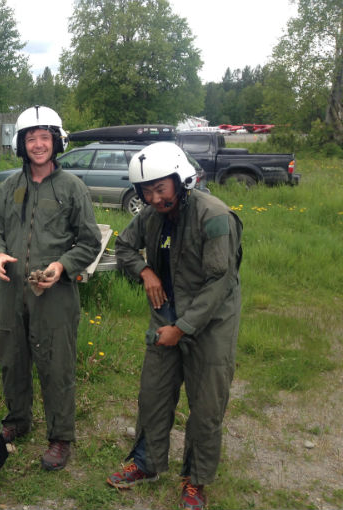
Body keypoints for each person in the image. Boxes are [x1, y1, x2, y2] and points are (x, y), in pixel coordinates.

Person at [107, 142, 243, 509]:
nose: (154, 198)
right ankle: (147, 463)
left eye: (160, 188)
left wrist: (182, 328)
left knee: (206, 405)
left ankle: (196, 481)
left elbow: (220, 282)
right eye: (146, 191)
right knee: (153, 394)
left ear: (180, 180)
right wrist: (145, 270)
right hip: (165, 315)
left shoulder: (213, 215)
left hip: (211, 323)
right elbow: (123, 247)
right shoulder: (151, 216)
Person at [0, 106, 102, 471]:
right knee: (12, 358)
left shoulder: (72, 188)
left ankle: (61, 437)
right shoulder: (8, 188)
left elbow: (90, 241)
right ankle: (18, 419)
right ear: (21, 143)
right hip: (11, 291)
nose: (38, 145)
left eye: (44, 138)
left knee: (56, 363)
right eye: (30, 138)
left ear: (56, 141)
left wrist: (61, 266)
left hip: (55, 293)